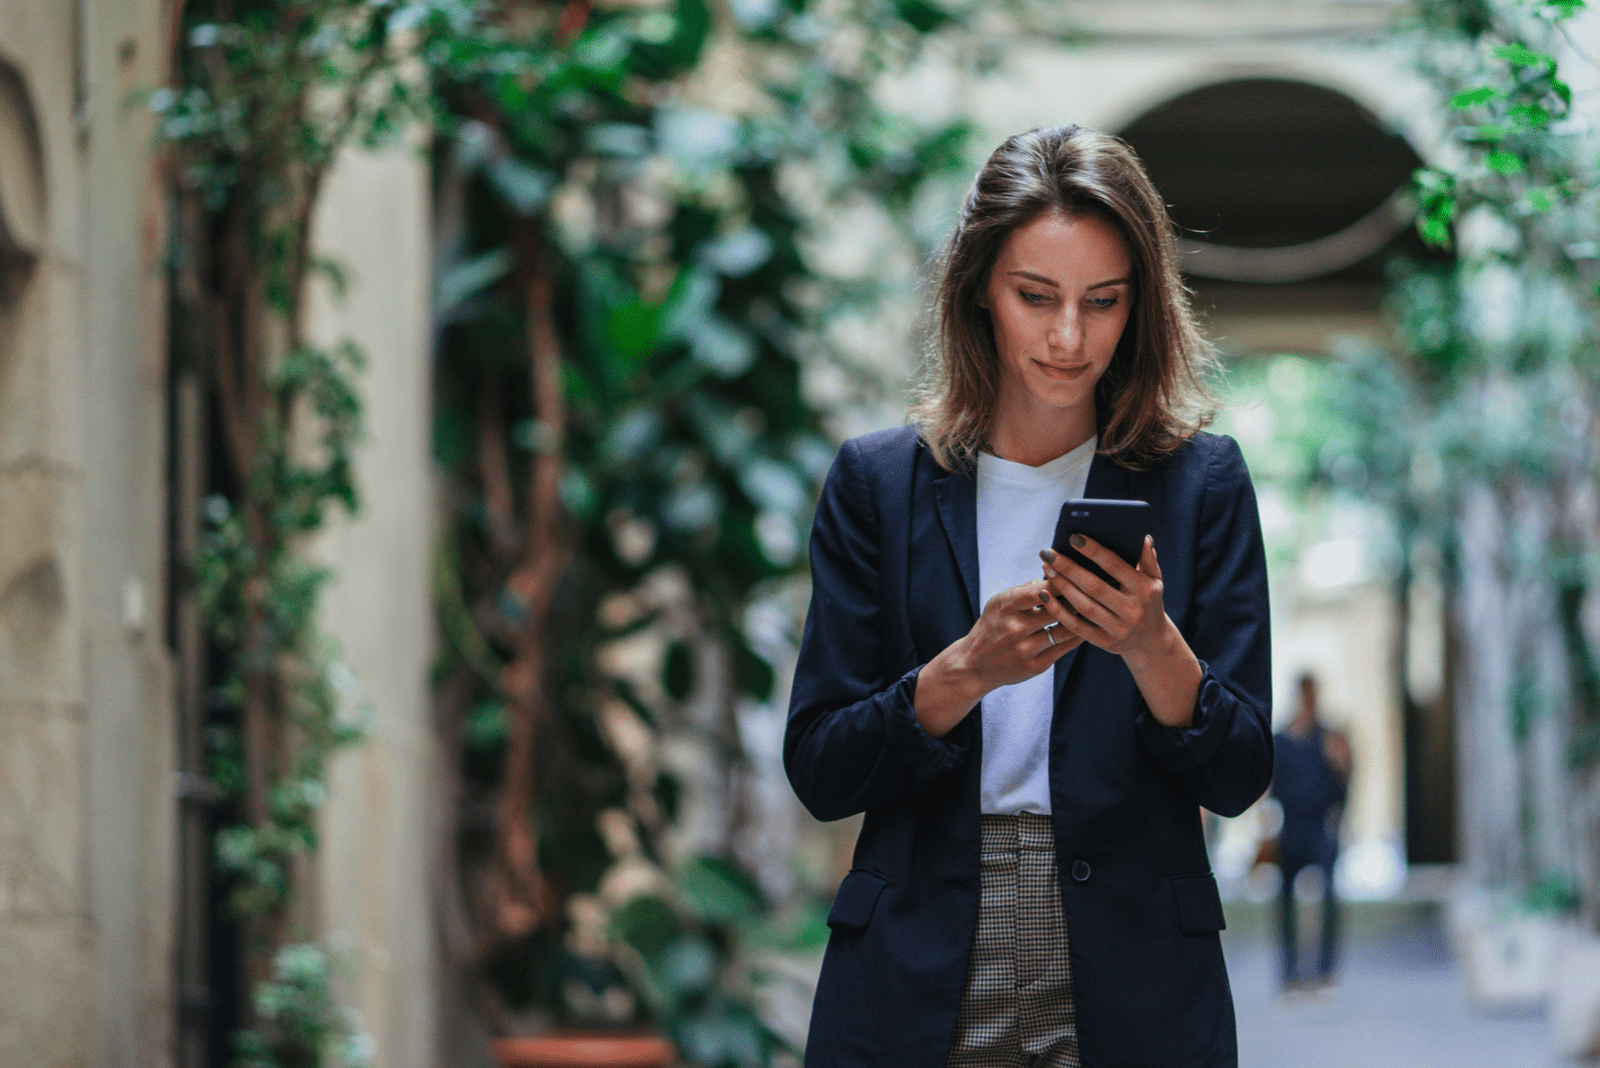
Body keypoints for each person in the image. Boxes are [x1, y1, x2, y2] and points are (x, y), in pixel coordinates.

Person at [783, 124, 1274, 1068]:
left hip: (1134, 959)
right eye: (1034, 297)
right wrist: (963, 671)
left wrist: (1149, 645)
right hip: (920, 947)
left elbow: (1241, 772)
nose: (1067, 337)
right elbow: (820, 768)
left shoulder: (1201, 484)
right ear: (978, 293)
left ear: (1141, 309)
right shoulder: (878, 485)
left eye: (1103, 302)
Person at [1270, 672, 1352, 992]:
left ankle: (1325, 971)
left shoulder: (1330, 737)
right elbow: (1272, 787)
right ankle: (1289, 973)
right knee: (1284, 902)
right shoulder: (1283, 738)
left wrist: (1341, 762)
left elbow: (1344, 785)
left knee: (1330, 896)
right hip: (1291, 826)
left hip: (1321, 827)